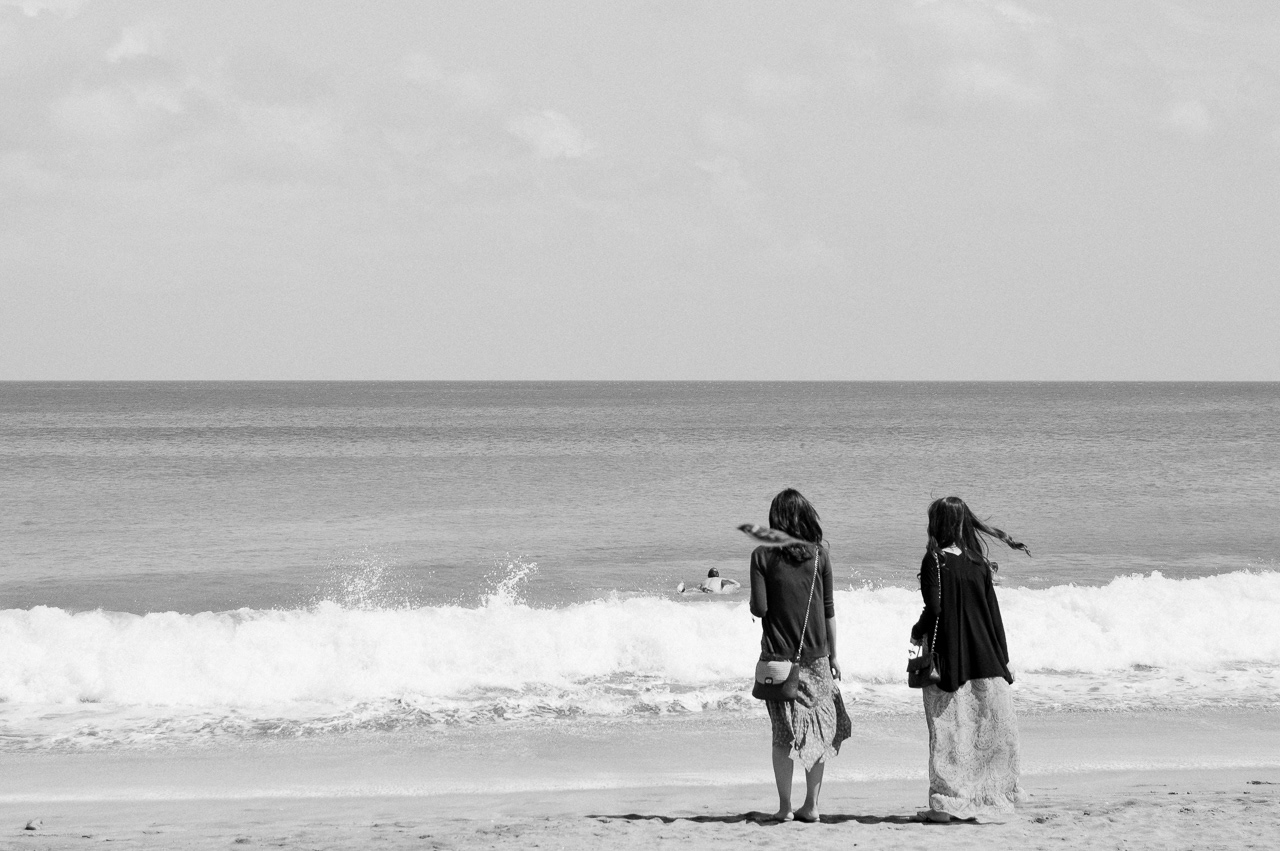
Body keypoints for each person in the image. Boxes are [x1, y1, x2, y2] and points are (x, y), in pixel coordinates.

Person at [910, 496, 1031, 823]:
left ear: (939, 524)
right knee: (985, 737)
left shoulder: (934, 560)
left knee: (948, 736)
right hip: (987, 660)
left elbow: (934, 609)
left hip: (950, 662)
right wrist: (1004, 662)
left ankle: (947, 806)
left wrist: (916, 629)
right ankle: (988, 801)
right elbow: (994, 616)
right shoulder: (977, 561)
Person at [749, 489, 851, 823]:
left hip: (779, 660)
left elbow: (760, 608)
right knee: (819, 734)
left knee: (782, 735)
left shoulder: (762, 557)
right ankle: (812, 806)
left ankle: (784, 808)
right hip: (818, 658)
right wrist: (835, 656)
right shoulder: (820, 556)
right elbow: (829, 611)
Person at [677, 567, 741, 595]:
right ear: (718, 574)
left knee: (693, 592)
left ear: (708, 575)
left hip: (704, 590)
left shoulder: (703, 582)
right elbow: (736, 585)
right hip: (713, 592)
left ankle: (683, 591)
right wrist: (734, 583)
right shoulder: (721, 580)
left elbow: (696, 588)